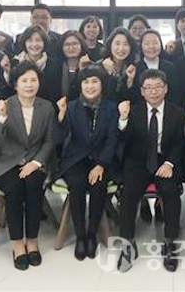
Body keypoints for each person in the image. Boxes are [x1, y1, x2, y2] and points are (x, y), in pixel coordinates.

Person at [0, 61, 55, 270]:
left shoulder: (46, 107)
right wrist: (1, 117)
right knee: (14, 189)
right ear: (15, 84)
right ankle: (17, 243)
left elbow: (50, 141)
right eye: (24, 81)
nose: (29, 85)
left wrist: (36, 162)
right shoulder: (5, 105)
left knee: (33, 186)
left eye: (33, 80)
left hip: (35, 161)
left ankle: (32, 241)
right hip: (6, 162)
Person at [116, 69, 185, 273]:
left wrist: (170, 163)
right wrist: (123, 119)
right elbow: (123, 140)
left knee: (171, 192)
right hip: (138, 162)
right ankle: (128, 244)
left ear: (166, 89)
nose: (153, 92)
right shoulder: (134, 111)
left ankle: (170, 242)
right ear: (142, 91)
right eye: (148, 88)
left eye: (157, 87)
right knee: (127, 195)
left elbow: (180, 144)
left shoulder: (177, 112)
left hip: (165, 161)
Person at [55, 65, 118, 261]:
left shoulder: (111, 107)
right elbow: (58, 139)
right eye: (86, 82)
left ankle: (92, 234)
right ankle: (80, 237)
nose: (90, 86)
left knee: (98, 184)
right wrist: (61, 116)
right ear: (80, 85)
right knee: (77, 184)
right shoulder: (71, 106)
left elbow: (113, 139)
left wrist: (101, 164)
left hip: (101, 159)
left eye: (94, 81)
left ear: (102, 84)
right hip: (76, 158)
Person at [10, 25, 62, 105]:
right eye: (30, 40)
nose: (34, 44)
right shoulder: (15, 63)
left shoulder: (54, 65)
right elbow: (11, 90)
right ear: (24, 43)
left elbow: (55, 94)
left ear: (44, 42)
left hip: (46, 108)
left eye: (38, 40)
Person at [134, 29, 180, 105]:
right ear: (141, 46)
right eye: (147, 43)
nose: (151, 46)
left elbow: (175, 94)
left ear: (160, 45)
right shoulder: (135, 68)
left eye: (155, 43)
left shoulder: (170, 67)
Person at [99, 27, 139, 103]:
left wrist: (130, 81)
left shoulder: (134, 67)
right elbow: (105, 98)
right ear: (110, 45)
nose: (121, 48)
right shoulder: (99, 67)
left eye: (125, 44)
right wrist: (110, 75)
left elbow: (134, 99)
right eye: (117, 44)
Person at [59, 30, 91, 101]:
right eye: (67, 44)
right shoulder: (56, 67)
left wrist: (82, 70)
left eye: (75, 44)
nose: (71, 48)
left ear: (81, 45)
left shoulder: (90, 67)